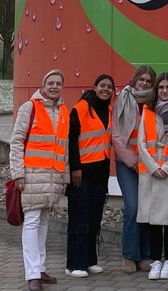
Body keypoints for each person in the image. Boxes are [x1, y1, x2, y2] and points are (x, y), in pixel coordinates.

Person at [10, 69, 69, 291]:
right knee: (33, 222)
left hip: (52, 177)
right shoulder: (30, 108)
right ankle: (32, 274)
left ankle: (40, 268)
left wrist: (64, 176)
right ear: (43, 86)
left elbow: (64, 149)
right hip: (33, 175)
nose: (54, 86)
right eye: (50, 83)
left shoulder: (63, 111)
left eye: (58, 83)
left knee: (44, 222)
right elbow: (16, 142)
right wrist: (18, 173)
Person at [137, 72, 168, 280]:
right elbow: (141, 143)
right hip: (150, 173)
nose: (164, 91)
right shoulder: (147, 112)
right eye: (161, 87)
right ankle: (156, 259)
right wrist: (152, 166)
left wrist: (166, 167)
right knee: (153, 220)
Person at [65, 74, 115, 277]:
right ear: (94, 87)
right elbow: (72, 139)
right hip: (82, 173)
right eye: (102, 85)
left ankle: (89, 260)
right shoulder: (82, 108)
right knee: (79, 219)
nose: (106, 89)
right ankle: (74, 264)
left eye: (109, 87)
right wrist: (75, 168)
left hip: (100, 174)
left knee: (94, 219)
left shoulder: (109, 110)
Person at [111, 65, 156, 273]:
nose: (145, 83)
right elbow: (117, 135)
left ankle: (144, 255)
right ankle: (129, 254)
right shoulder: (124, 99)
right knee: (133, 207)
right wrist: (133, 161)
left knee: (147, 209)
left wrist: (148, 162)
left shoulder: (155, 103)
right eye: (142, 80)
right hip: (127, 164)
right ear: (135, 80)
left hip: (149, 164)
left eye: (149, 81)